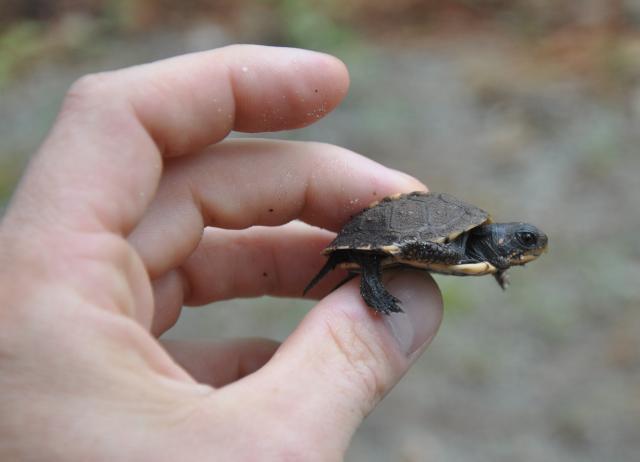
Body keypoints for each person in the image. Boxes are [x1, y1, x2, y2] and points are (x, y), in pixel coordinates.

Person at [0, 45, 443, 460]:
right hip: (373, 244)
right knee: (372, 265)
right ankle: (373, 291)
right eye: (515, 243)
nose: (513, 248)